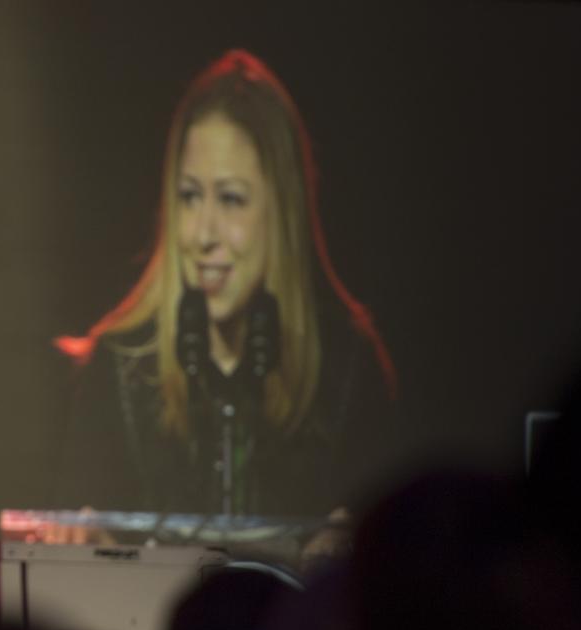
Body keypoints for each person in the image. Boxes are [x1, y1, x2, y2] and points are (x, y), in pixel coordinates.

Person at [56, 50, 397, 518]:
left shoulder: (348, 371)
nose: (203, 235)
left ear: (283, 212)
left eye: (232, 200)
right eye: (190, 197)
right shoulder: (117, 372)